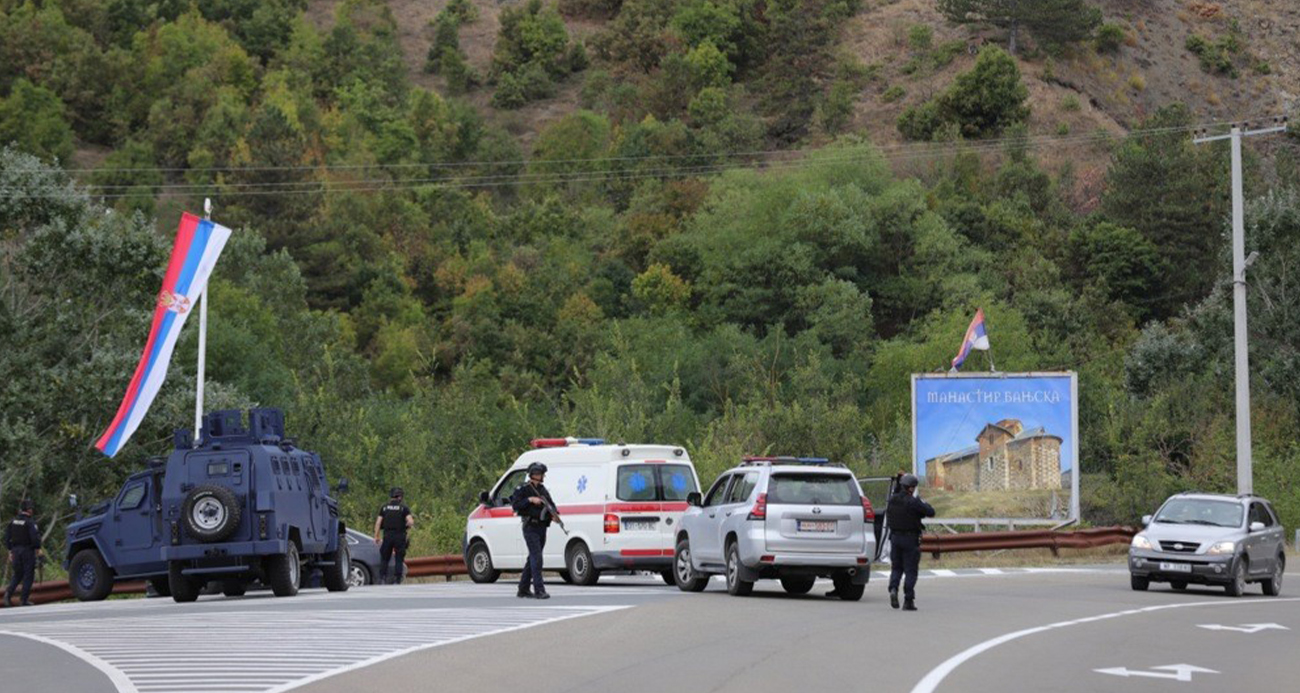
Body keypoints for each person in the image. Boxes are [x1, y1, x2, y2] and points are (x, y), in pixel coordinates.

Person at [885, 474, 935, 611]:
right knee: (911, 570)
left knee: (896, 568)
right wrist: (923, 503)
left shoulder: (892, 501)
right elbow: (930, 512)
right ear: (911, 488)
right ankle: (908, 600)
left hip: (894, 538)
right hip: (910, 540)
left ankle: (893, 588)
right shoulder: (913, 502)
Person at [510, 463, 556, 600]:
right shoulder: (523, 489)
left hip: (542, 527)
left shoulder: (542, 489)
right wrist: (530, 500)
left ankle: (523, 589)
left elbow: (551, 504)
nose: (543, 477)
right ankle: (539, 590)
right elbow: (515, 505)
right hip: (530, 527)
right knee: (537, 558)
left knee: (533, 558)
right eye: (542, 474)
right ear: (535, 474)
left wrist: (554, 514)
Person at [4, 499, 41, 607]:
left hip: (15, 551)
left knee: (17, 575)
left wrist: (10, 550)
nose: (32, 510)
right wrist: (38, 548)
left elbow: (7, 537)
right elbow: (34, 538)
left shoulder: (13, 521)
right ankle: (23, 600)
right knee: (28, 575)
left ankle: (8, 594)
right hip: (27, 551)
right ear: (28, 510)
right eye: (31, 508)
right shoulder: (30, 522)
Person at [373, 488, 413, 585]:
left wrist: (376, 536)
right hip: (399, 536)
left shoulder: (384, 508)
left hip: (387, 536)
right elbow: (411, 522)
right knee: (399, 558)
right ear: (400, 497)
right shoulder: (403, 508)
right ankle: (397, 580)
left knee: (384, 558)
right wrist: (406, 526)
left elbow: (378, 523)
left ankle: (382, 578)